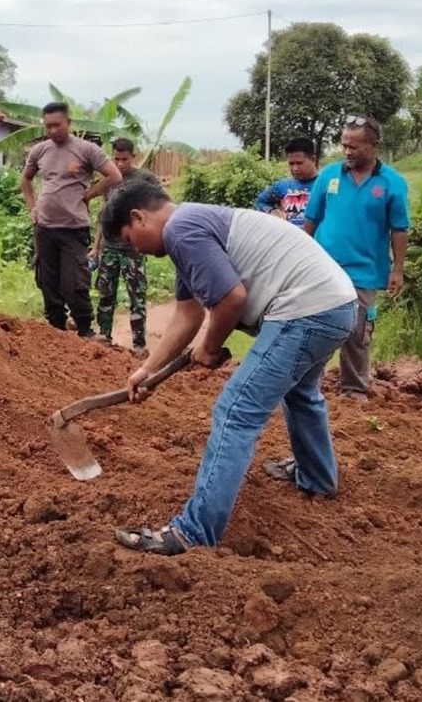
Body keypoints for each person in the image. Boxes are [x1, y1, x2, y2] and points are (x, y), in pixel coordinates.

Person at [101, 181, 357, 555]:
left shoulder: (181, 229)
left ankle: (192, 533)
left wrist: (208, 348)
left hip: (307, 311)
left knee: (235, 411)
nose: (135, 251)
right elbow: (187, 316)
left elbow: (231, 299)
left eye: (129, 239)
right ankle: (317, 476)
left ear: (139, 217)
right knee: (301, 393)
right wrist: (147, 371)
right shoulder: (189, 228)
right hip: (337, 306)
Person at [302, 116, 410, 400]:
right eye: (344, 145)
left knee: (358, 333)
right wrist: (300, 257)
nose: (347, 152)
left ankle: (353, 390)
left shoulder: (392, 183)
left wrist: (398, 270)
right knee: (314, 325)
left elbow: (400, 229)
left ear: (374, 146)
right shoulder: (329, 176)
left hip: (365, 271)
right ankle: (306, 384)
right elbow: (311, 219)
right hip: (323, 268)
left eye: (355, 146)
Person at [20, 102, 123, 336]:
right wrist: (32, 208)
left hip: (73, 228)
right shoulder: (40, 150)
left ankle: (85, 328)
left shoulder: (86, 150)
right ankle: (56, 327)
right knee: (46, 281)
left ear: (69, 123)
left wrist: (88, 195)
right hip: (44, 228)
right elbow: (26, 180)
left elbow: (114, 175)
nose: (52, 130)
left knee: (75, 283)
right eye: (48, 126)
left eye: (57, 125)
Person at [89, 138, 159, 354]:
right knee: (105, 295)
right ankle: (105, 338)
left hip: (133, 249)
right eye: (116, 159)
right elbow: (104, 215)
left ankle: (139, 345)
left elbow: (161, 206)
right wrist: (96, 247)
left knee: (137, 297)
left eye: (124, 159)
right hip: (110, 247)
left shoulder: (144, 178)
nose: (120, 164)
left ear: (133, 156)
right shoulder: (109, 178)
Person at [255, 137, 320, 226]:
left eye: (299, 163)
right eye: (291, 164)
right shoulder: (282, 185)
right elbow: (260, 201)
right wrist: (272, 212)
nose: (295, 169)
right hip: (289, 238)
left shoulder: (326, 185)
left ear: (313, 159)